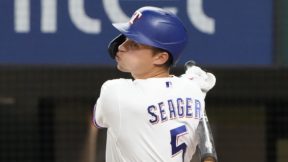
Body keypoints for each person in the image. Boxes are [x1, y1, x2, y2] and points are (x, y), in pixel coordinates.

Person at [93, 6, 217, 162]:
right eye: (125, 38)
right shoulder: (192, 91)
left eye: (134, 44)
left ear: (160, 58)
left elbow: (96, 120)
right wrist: (192, 87)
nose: (121, 47)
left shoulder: (115, 92)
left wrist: (190, 82)